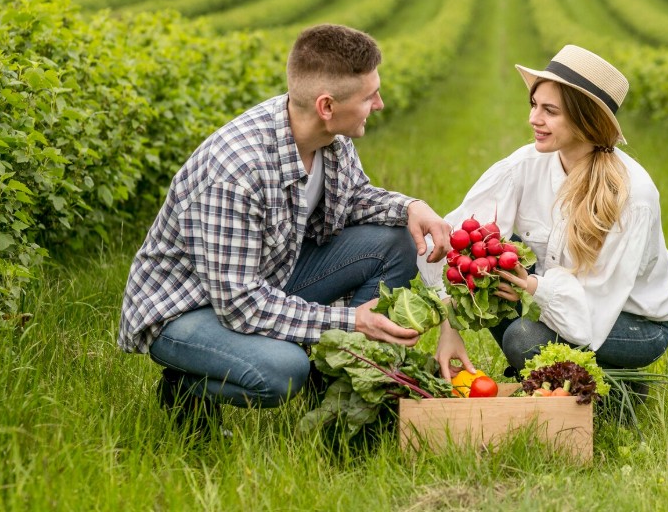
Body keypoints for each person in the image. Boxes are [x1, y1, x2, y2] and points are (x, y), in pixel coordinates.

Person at [118, 24, 451, 435]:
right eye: (369, 97)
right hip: (188, 309)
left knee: (397, 242)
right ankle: (186, 389)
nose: (379, 104)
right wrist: (349, 322)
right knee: (281, 372)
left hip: (266, 276)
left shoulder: (328, 136)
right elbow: (240, 305)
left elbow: (354, 200)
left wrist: (410, 207)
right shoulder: (236, 172)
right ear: (326, 105)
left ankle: (341, 392)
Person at [419, 44, 668, 386]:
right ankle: (550, 381)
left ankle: (616, 391)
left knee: (525, 339)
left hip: (630, 321)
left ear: (585, 120)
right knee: (493, 264)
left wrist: (532, 286)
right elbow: (454, 238)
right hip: (559, 295)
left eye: (550, 111)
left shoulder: (631, 196)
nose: (534, 119)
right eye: (534, 105)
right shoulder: (526, 163)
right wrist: (450, 326)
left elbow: (594, 312)